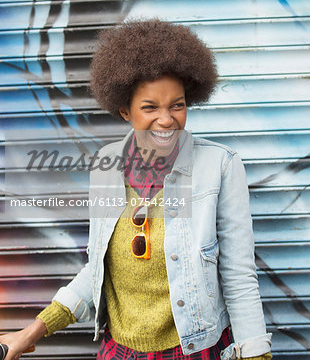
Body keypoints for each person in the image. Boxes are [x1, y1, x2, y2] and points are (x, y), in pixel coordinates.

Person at [0, 19, 272, 360]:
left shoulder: (218, 167)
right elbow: (98, 268)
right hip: (120, 352)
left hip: (194, 351)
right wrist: (31, 331)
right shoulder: (107, 164)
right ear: (125, 110)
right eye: (150, 107)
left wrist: (256, 353)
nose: (166, 119)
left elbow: (238, 276)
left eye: (177, 104)